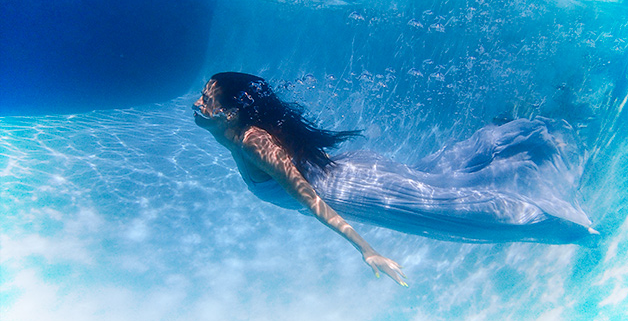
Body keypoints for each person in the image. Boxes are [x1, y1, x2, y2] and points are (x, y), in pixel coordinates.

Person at [193, 72, 597, 286]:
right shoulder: (241, 134)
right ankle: (524, 138)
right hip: (351, 173)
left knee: (458, 207)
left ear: (232, 113)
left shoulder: (252, 142)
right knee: (445, 182)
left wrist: (366, 250)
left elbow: (309, 199)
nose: (198, 102)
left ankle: (572, 226)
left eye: (207, 99)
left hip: (355, 189)